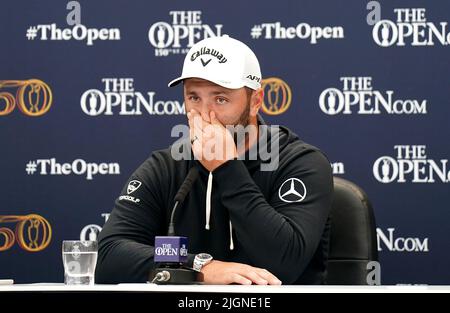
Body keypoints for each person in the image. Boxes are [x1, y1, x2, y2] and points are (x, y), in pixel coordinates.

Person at [95, 35, 333, 285]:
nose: (205, 114)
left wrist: (227, 168)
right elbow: (107, 257)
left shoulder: (301, 162)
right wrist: (198, 266)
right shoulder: (166, 166)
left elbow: (284, 265)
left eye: (221, 99)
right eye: (194, 97)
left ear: (255, 102)